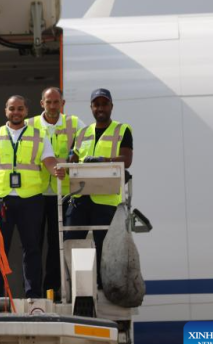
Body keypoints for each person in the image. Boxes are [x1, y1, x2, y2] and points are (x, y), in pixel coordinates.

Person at [0, 95, 65, 298]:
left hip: (30, 199)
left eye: (20, 109)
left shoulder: (38, 135)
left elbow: (49, 160)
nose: (16, 112)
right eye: (12, 109)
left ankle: (32, 294)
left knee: (32, 249)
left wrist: (56, 170)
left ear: (26, 111)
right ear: (5, 111)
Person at [67, 88, 133, 287]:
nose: (101, 108)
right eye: (97, 104)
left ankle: (104, 287)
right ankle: (75, 285)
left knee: (105, 246)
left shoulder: (122, 130)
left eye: (104, 104)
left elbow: (126, 160)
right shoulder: (82, 132)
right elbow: (73, 158)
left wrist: (103, 160)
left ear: (111, 106)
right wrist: (70, 160)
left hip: (106, 198)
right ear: (91, 108)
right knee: (70, 240)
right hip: (80, 197)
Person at [26, 87, 85, 299]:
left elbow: (85, 151)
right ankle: (32, 293)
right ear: (41, 103)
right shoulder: (28, 125)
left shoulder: (75, 124)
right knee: (33, 245)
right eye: (48, 102)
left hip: (64, 194)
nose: (52, 106)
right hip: (34, 194)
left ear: (63, 103)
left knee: (57, 246)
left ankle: (51, 292)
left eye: (56, 102)